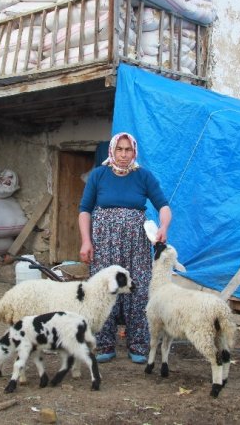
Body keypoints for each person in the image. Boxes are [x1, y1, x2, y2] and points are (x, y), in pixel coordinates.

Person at [78, 132, 172, 364]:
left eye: (127, 150)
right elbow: (84, 210)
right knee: (103, 290)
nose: (123, 154)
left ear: (134, 152)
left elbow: (164, 206)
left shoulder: (143, 176)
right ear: (112, 150)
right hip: (104, 242)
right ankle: (103, 344)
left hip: (136, 244)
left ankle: (139, 344)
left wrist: (164, 227)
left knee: (138, 289)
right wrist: (86, 241)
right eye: (119, 149)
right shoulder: (99, 175)